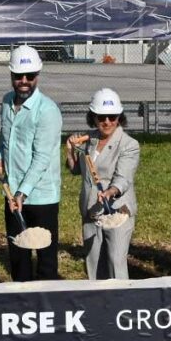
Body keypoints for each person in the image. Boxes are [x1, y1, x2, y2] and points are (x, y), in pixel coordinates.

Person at [0, 45, 62, 281]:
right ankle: (22, 305)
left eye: (29, 76)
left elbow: (42, 157)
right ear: (11, 75)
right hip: (12, 194)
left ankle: (47, 307)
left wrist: (23, 192)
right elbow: (5, 140)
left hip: (40, 197)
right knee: (18, 256)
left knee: (45, 260)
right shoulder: (6, 102)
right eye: (18, 76)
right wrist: (0, 162)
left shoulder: (47, 110)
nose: (24, 81)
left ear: (37, 76)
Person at [66, 88, 140, 279]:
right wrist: (70, 151)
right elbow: (76, 170)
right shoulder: (88, 141)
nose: (107, 122)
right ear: (94, 117)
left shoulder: (129, 144)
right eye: (101, 117)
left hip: (116, 211)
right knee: (93, 263)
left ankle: (121, 302)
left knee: (116, 262)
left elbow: (123, 178)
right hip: (91, 210)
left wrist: (110, 192)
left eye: (112, 117)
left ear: (119, 117)